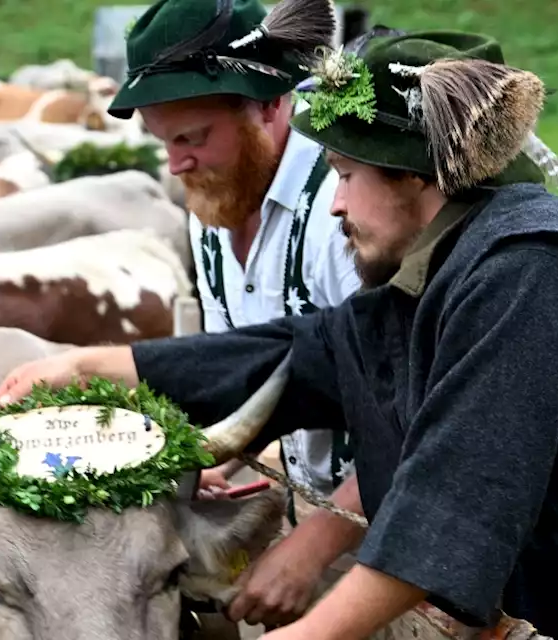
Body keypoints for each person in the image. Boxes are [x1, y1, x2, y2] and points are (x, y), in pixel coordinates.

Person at [0, 31, 558, 640]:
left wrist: (307, 634)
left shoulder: (528, 270)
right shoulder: (457, 261)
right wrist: (91, 368)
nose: (335, 203)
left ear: (418, 176)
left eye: (344, 175)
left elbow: (461, 490)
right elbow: (313, 353)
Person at [103, 0, 373, 629]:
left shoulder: (348, 212)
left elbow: (416, 412)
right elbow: (254, 379)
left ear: (270, 105)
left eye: (192, 137)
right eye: (163, 141)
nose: (175, 165)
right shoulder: (216, 206)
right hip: (316, 513)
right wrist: (214, 457)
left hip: (404, 544)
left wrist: (311, 549)